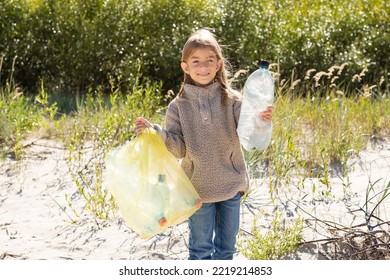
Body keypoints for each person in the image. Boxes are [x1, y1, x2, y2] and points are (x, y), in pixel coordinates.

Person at [135, 28, 273, 260]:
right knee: (200, 251)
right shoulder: (177, 107)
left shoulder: (233, 101)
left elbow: (250, 136)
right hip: (197, 190)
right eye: (196, 61)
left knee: (226, 250)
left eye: (209, 61)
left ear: (218, 64)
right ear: (185, 67)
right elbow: (179, 149)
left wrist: (262, 121)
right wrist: (157, 134)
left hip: (231, 185)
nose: (203, 67)